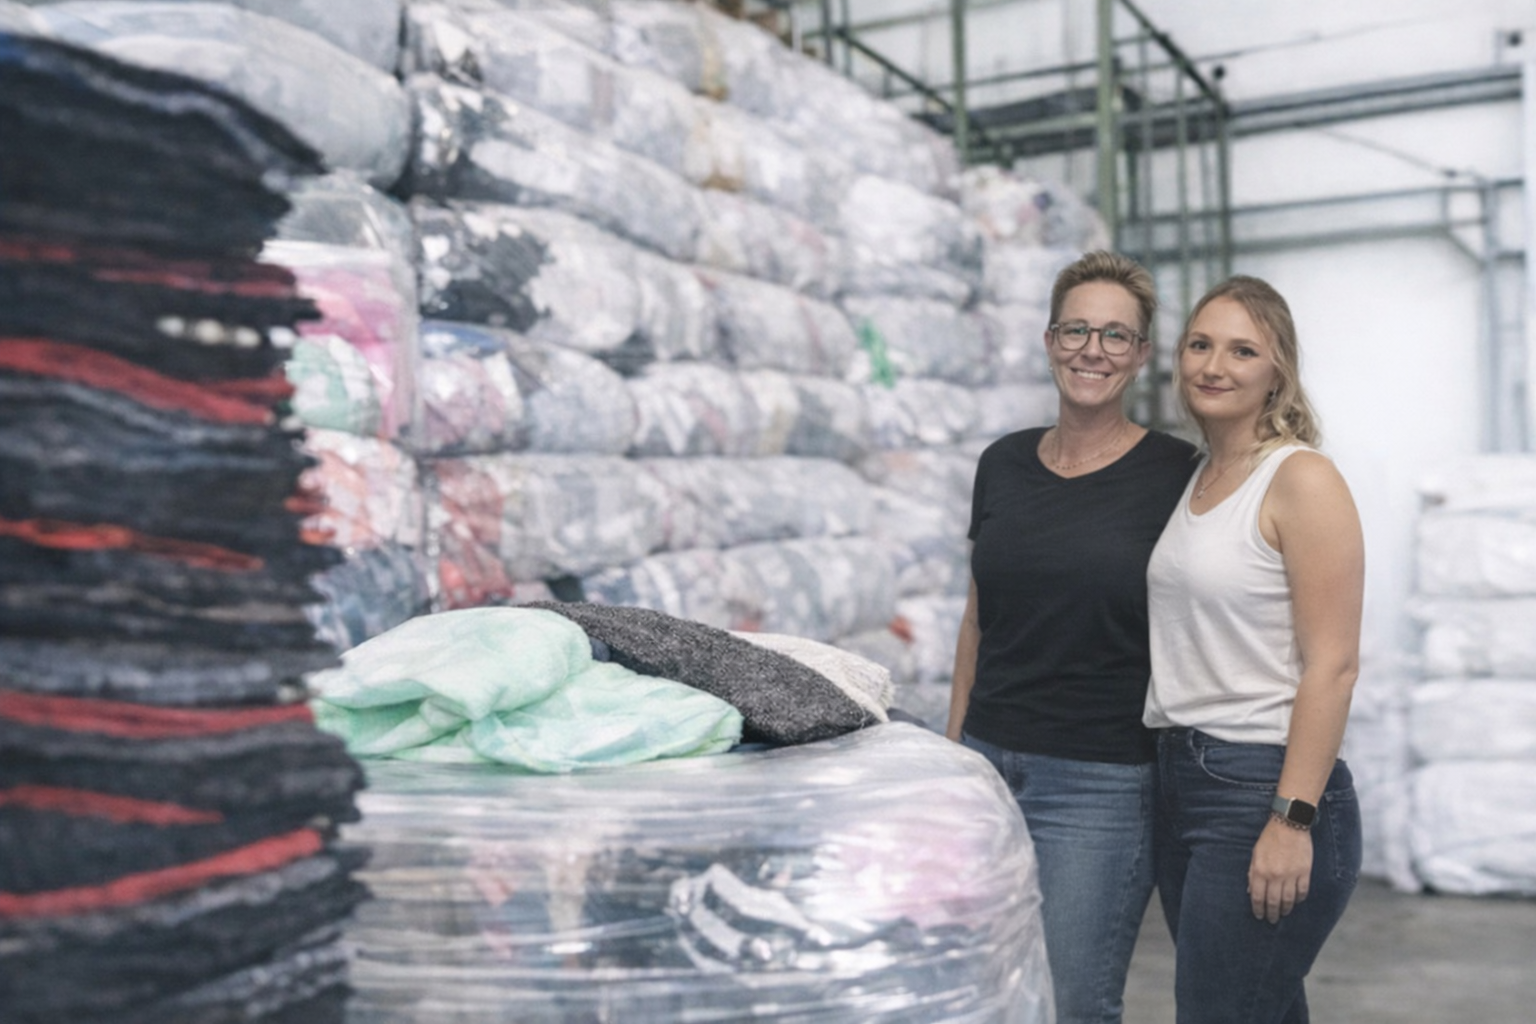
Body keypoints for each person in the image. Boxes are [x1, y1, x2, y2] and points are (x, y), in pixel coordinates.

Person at [948, 251, 1198, 1024]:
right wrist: (955, 755)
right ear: (1050, 339)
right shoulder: (1004, 463)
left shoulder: (1178, 473)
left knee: (1071, 1003)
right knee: (983, 990)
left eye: (1116, 336)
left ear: (1143, 355)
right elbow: (977, 617)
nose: (1094, 350)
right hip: (987, 763)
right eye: (1078, 330)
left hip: (1101, 783)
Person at [1144, 275, 1364, 1024]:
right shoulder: (1197, 477)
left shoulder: (1301, 478)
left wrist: (1291, 819)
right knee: (1256, 1008)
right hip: (1179, 775)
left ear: (1279, 372)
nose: (1215, 365)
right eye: (1200, 344)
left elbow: (1333, 665)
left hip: (1260, 783)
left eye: (1243, 350)